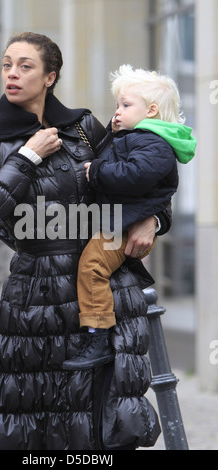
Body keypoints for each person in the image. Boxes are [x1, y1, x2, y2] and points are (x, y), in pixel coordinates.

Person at [0, 33, 171, 450]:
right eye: (6, 65)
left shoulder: (85, 128)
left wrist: (154, 220)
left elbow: (147, 176)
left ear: (50, 76)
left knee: (103, 422)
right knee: (29, 419)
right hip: (36, 301)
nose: (12, 74)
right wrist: (26, 157)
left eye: (25, 65)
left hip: (106, 288)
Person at [62, 65, 196, 370]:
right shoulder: (135, 137)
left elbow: (134, 176)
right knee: (91, 268)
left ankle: (97, 336)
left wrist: (96, 171)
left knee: (92, 267)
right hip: (117, 221)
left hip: (123, 226)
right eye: (116, 105)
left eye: (125, 105)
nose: (117, 112)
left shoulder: (153, 143)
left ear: (150, 110)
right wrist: (112, 131)